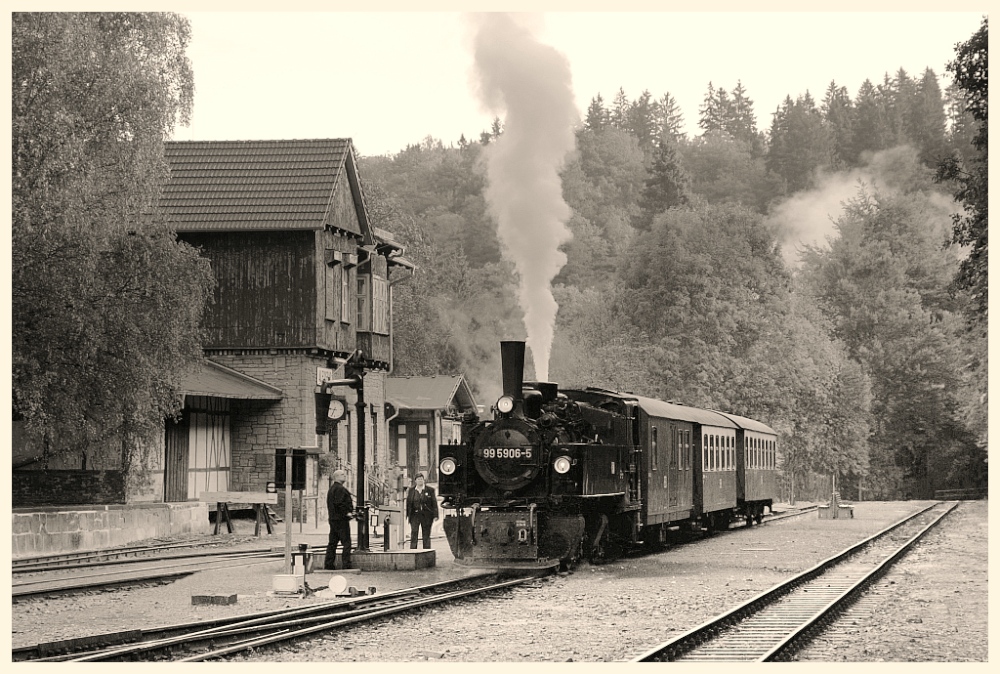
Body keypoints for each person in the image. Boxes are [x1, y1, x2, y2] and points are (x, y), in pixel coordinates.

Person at [324, 469, 354, 570]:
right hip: (341, 520)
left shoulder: (332, 489)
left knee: (332, 543)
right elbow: (340, 504)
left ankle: (329, 564)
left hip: (333, 519)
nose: (344, 475)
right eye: (342, 474)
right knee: (346, 543)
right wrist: (348, 513)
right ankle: (346, 564)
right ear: (336, 477)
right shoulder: (340, 489)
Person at [406, 473, 438, 549]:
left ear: (424, 480)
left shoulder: (430, 490)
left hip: (426, 515)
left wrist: (435, 515)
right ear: (415, 481)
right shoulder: (411, 490)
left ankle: (426, 552)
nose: (420, 481)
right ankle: (413, 550)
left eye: (421, 479)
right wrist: (408, 515)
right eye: (418, 479)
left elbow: (434, 502)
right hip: (415, 515)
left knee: (426, 534)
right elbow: (408, 503)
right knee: (414, 532)